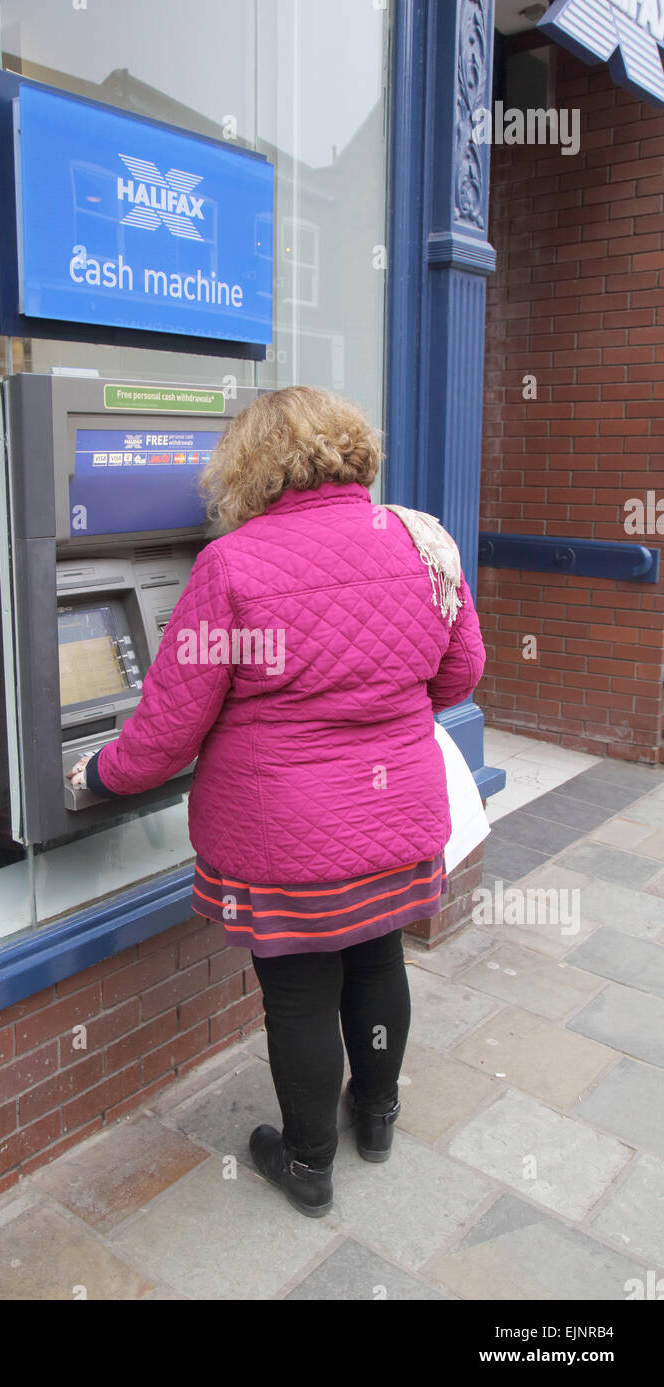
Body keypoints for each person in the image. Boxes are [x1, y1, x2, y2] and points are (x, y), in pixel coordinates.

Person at [68, 385, 486, 1218]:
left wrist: (100, 777)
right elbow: (458, 675)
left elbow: (167, 731)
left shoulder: (233, 565)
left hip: (287, 831)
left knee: (299, 993)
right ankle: (376, 1118)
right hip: (398, 814)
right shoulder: (422, 540)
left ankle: (307, 1165)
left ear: (250, 467)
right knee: (378, 960)